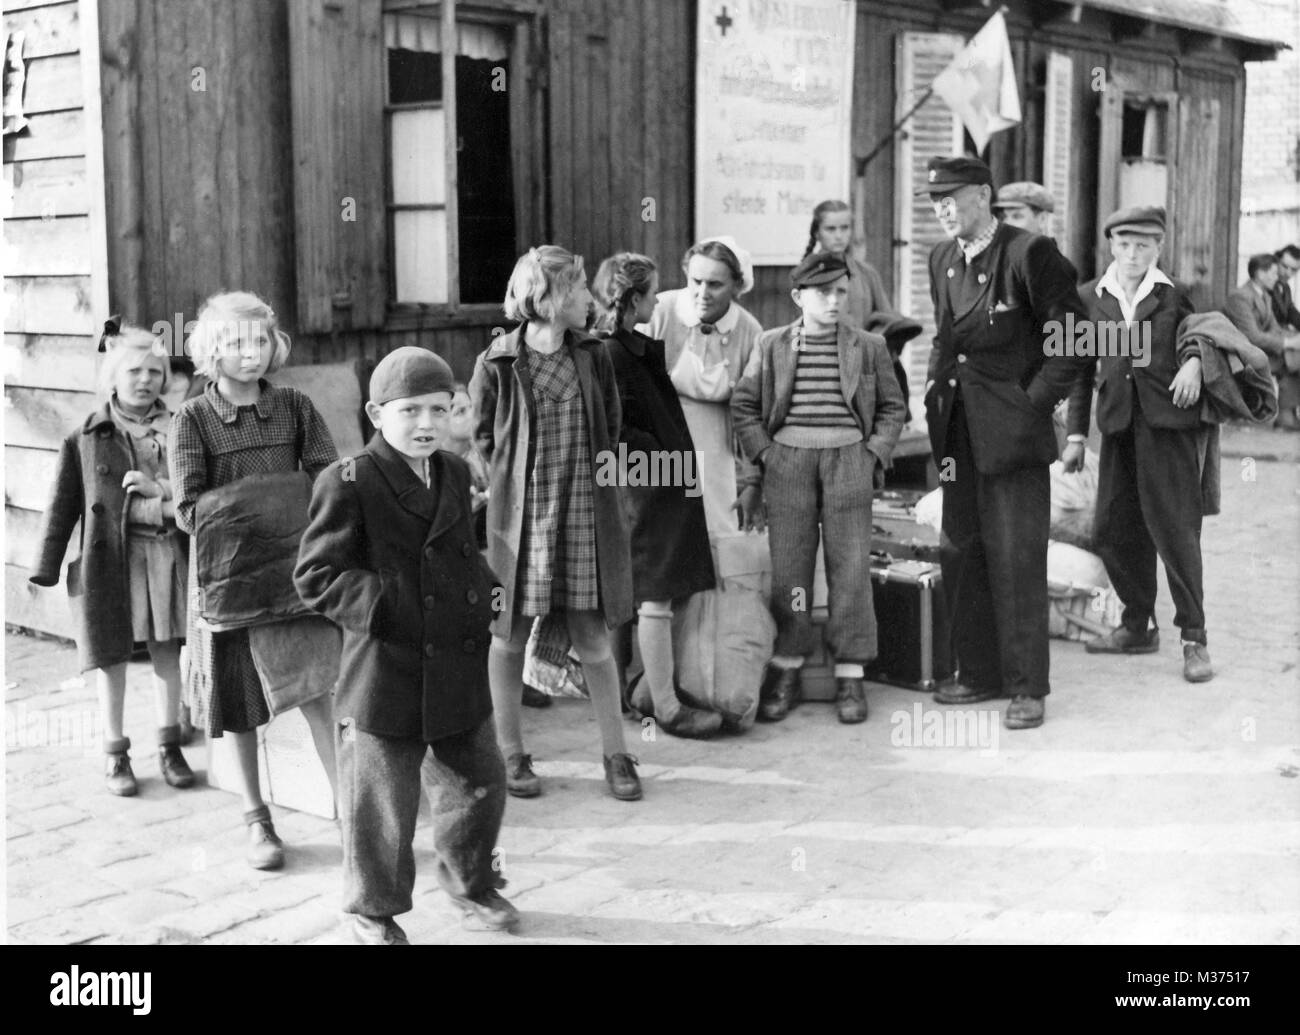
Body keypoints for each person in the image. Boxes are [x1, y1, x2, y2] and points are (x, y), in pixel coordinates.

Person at [295, 347, 517, 944]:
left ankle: (470, 880)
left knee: (479, 781)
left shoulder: (453, 470)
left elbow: (463, 552)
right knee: (383, 804)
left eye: (440, 410)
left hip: (454, 660)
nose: (426, 424)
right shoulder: (348, 481)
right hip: (387, 665)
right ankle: (371, 908)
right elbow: (316, 576)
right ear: (375, 412)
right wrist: (388, 605)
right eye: (410, 410)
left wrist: (489, 598)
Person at [169, 291, 339, 869]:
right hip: (231, 583)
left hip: (295, 575)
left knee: (320, 690)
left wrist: (286, 516)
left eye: (261, 340)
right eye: (237, 343)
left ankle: (354, 807)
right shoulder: (191, 419)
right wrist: (267, 511)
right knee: (241, 706)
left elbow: (327, 481)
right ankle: (256, 819)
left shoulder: (295, 406)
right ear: (211, 351)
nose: (251, 353)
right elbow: (190, 509)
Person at [921, 156, 1090, 730]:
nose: (943, 210)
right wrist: (930, 397)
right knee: (960, 549)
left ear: (984, 196)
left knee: (1016, 553)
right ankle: (978, 671)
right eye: (935, 201)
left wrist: (1032, 404)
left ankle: (1026, 686)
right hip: (956, 430)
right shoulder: (942, 258)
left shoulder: (1027, 253)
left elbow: (1071, 339)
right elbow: (947, 341)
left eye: (952, 198)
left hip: (1012, 429)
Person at [470, 245, 641, 801]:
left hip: (583, 515)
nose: (591, 298)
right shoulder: (496, 360)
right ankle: (511, 753)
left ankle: (617, 754)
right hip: (519, 526)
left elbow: (611, 424)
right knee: (508, 635)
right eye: (581, 290)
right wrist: (508, 489)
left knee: (593, 636)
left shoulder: (593, 356)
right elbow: (481, 439)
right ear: (547, 298)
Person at [733, 253, 907, 723]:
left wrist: (873, 452)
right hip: (788, 464)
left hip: (849, 462)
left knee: (850, 570)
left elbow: (894, 408)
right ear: (798, 297)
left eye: (840, 292)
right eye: (822, 292)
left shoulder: (868, 346)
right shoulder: (771, 345)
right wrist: (767, 456)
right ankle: (787, 666)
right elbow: (744, 406)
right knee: (791, 573)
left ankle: (851, 676)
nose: (834, 301)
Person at [30, 320, 195, 796]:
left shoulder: (182, 425)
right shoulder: (89, 435)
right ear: (113, 378)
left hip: (166, 553)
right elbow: (63, 502)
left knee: (169, 649)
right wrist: (46, 563)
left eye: (154, 371)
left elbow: (198, 485)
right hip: (112, 560)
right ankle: (115, 750)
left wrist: (160, 489)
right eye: (134, 371)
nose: (145, 380)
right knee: (110, 655)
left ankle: (169, 744)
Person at [1063, 206, 1212, 682]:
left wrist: (1193, 363)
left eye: (1143, 246)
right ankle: (1137, 625)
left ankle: (1194, 639)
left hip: (1168, 428)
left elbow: (1206, 338)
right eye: (1124, 244)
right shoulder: (1090, 297)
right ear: (1111, 245)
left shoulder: (1177, 295)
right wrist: (1075, 434)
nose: (1132, 254)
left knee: (1175, 531)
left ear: (1158, 248)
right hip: (1118, 427)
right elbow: (1082, 373)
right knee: (1112, 525)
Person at [594, 251, 721, 738]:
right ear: (633, 298)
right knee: (655, 598)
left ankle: (648, 691)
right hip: (646, 492)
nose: (660, 299)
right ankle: (665, 707)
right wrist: (666, 458)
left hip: (660, 486)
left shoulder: (629, 346)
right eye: (653, 292)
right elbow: (618, 430)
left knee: (666, 592)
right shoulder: (611, 351)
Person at [644, 236, 765, 537]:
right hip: (660, 441)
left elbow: (752, 411)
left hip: (716, 447)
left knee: (716, 531)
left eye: (715, 284)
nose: (702, 293)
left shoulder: (750, 331)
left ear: (736, 286)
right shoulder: (661, 312)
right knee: (665, 533)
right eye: (696, 281)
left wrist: (753, 481)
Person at [802, 199, 916, 415]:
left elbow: (887, 320)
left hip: (867, 372)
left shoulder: (866, 273)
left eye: (844, 228)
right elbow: (801, 332)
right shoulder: (807, 276)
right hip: (826, 372)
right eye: (830, 229)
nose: (839, 235)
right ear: (817, 232)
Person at [1225, 253, 1300, 430]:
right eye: (1274, 273)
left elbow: (1274, 327)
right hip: (1240, 354)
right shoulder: (1240, 296)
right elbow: (1251, 335)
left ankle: (1286, 415)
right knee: (1295, 360)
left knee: (1295, 359)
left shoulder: (1264, 294)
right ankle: (1286, 415)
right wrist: (1289, 344)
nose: (1278, 277)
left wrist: (1293, 339)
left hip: (1258, 351)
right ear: (1260, 273)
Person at [992, 182, 1079, 282]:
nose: (1007, 223)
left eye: (1017, 217)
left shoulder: (1052, 267)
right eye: (1003, 217)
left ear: (1042, 220)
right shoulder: (999, 262)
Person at [1269, 244, 1300, 331]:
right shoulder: (1265, 285)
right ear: (1276, 262)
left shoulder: (1285, 287)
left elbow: (1290, 310)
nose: (1288, 274)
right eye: (1284, 266)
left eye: (1294, 270)